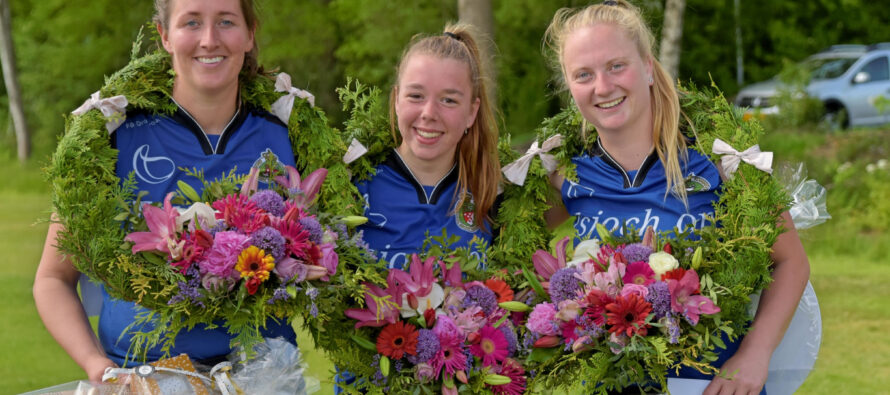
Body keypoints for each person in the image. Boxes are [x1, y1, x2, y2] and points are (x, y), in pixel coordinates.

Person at [543, 1, 810, 394]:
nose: (602, 86)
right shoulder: (567, 174)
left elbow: (791, 261)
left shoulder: (717, 159)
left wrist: (756, 354)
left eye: (617, 66)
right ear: (570, 85)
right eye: (584, 74)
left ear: (649, 67)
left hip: (714, 384)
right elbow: (503, 247)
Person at [34, 0, 299, 383]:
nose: (209, 40)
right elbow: (53, 279)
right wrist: (98, 366)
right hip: (142, 378)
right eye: (191, 22)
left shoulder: (288, 133)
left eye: (226, 21)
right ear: (164, 35)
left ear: (249, 33)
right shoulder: (113, 134)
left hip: (268, 380)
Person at [354, 24, 501, 270]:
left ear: (471, 112)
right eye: (416, 96)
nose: (429, 113)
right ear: (397, 100)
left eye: (448, 100)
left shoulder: (492, 191)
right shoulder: (354, 184)